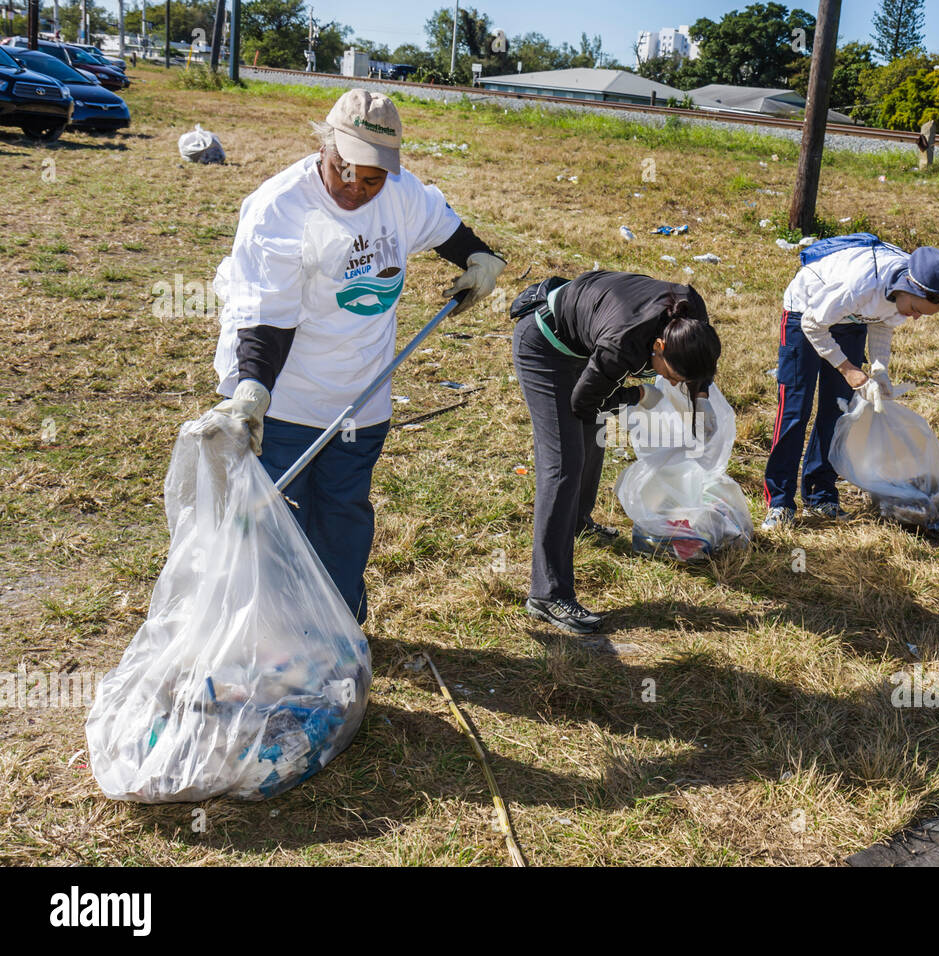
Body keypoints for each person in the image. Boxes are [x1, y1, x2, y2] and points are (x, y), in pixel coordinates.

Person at [205, 88, 505, 624]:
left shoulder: (399, 194)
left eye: (372, 179)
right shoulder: (280, 209)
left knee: (343, 512)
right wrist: (252, 388)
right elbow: (267, 317)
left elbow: (447, 229)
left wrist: (478, 257)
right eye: (346, 171)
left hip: (362, 393)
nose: (357, 189)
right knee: (275, 517)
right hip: (283, 391)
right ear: (325, 145)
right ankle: (271, 634)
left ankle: (338, 630)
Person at [511, 271, 722, 635]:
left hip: (584, 341)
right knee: (563, 463)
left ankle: (576, 521)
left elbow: (698, 363)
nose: (674, 384)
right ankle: (547, 593)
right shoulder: (623, 342)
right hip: (543, 344)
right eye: (673, 376)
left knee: (593, 438)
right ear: (658, 347)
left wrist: (701, 398)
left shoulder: (692, 316)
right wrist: (636, 395)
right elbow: (584, 403)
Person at [761, 238, 939, 530]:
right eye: (915, 308)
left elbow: (882, 323)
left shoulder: (903, 295)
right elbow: (813, 325)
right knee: (795, 408)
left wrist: (879, 370)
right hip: (808, 310)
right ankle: (779, 502)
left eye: (922, 314)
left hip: (853, 319)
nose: (915, 317)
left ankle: (820, 493)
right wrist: (847, 368)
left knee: (838, 409)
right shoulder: (861, 283)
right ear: (906, 287)